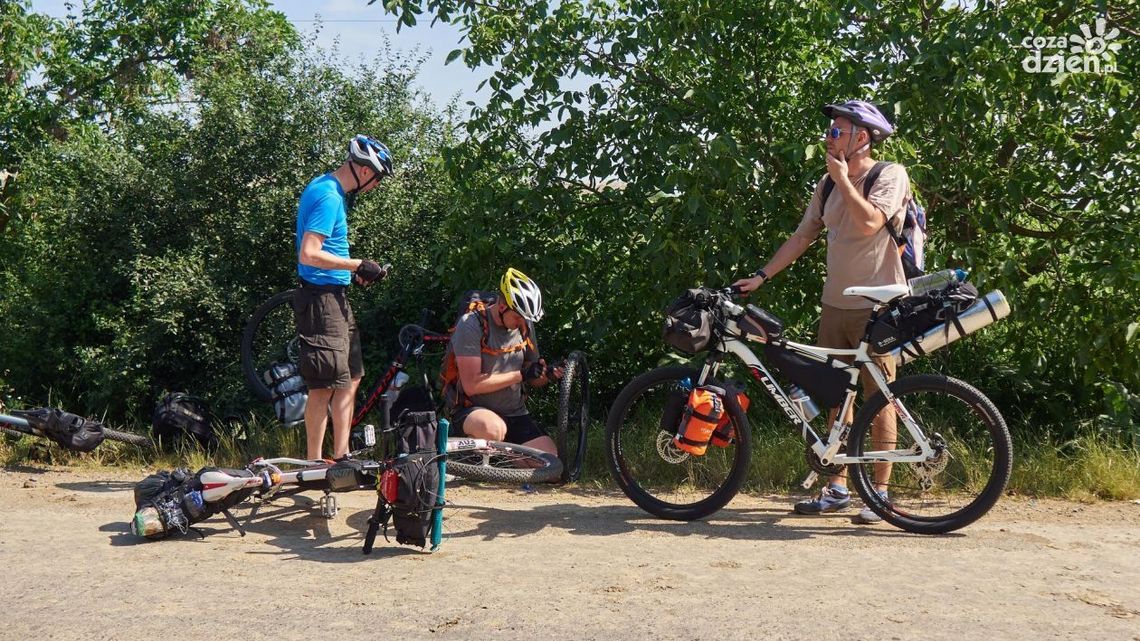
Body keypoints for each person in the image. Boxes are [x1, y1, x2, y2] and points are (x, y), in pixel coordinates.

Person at [733, 100, 910, 524]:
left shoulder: (889, 174)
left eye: (837, 131)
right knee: (836, 397)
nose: (829, 136)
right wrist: (762, 275)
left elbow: (870, 223)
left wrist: (845, 182)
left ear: (862, 137)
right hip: (835, 305)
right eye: (830, 129)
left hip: (877, 306)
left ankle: (879, 494)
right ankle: (837, 487)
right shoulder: (827, 183)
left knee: (879, 399)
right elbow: (802, 236)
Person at [294, 134, 393, 461]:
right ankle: (312, 464)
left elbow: (326, 252)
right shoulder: (328, 197)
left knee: (351, 376)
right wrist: (356, 263)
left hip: (336, 295)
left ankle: (341, 455)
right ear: (366, 172)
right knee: (323, 385)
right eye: (377, 179)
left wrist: (355, 273)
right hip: (321, 301)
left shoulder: (330, 189)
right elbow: (309, 254)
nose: (376, 186)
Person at [448, 268, 562, 456]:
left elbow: (533, 379)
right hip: (473, 412)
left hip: (515, 413)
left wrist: (547, 374)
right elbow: (472, 385)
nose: (521, 322)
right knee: (493, 428)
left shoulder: (524, 326)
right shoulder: (470, 325)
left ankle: (499, 458)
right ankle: (473, 454)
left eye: (525, 318)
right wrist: (521, 375)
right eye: (518, 317)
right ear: (502, 307)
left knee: (552, 463)